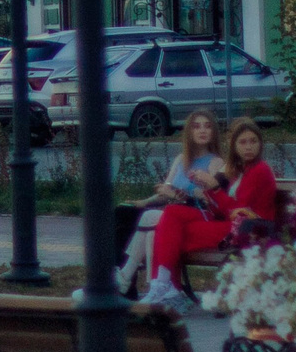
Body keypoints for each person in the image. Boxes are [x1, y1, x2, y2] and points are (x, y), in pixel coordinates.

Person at [141, 117, 281, 313]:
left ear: (260, 144)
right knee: (172, 214)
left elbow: (238, 212)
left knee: (170, 232)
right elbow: (222, 210)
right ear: (234, 146)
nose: (249, 147)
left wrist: (214, 188)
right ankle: (166, 287)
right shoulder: (239, 169)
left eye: (253, 141)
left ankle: (167, 288)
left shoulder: (259, 169)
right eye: (243, 142)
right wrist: (206, 190)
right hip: (232, 225)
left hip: (250, 229)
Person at [117, 111, 224, 294]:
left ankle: (126, 277)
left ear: (213, 132)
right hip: (174, 214)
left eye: (207, 126)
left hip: (197, 215)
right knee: (146, 225)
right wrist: (144, 201)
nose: (202, 130)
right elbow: (166, 190)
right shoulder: (181, 159)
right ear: (189, 132)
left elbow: (210, 198)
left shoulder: (216, 162)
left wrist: (177, 194)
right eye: (196, 126)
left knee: (151, 217)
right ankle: (154, 288)